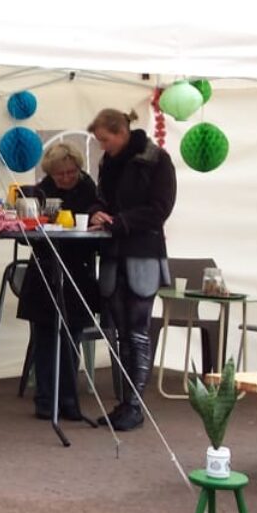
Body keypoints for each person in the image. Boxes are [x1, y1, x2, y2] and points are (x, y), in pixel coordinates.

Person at [88, 108, 177, 432]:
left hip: (143, 253)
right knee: (120, 331)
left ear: (121, 132)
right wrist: (98, 212)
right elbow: (100, 198)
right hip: (114, 252)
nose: (102, 146)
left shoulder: (157, 160)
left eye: (105, 139)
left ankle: (135, 405)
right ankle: (125, 403)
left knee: (137, 331)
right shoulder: (107, 163)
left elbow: (160, 208)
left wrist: (121, 222)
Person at [17, 141, 102, 422]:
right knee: (44, 337)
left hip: (78, 271)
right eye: (59, 174)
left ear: (78, 168)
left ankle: (68, 399)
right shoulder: (41, 193)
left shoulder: (91, 190)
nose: (65, 177)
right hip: (44, 271)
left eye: (70, 172)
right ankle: (45, 400)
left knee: (70, 337)